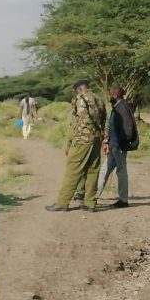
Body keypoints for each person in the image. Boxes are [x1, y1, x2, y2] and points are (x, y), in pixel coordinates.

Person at [46, 79, 106, 213]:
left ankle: (62, 203)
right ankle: (90, 203)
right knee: (93, 170)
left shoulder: (81, 100)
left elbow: (84, 119)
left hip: (82, 140)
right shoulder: (98, 99)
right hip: (96, 140)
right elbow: (104, 118)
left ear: (79, 89)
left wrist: (92, 131)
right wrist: (99, 133)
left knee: (72, 170)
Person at [97, 86, 137, 208]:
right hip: (113, 145)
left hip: (118, 146)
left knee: (121, 172)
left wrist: (122, 143)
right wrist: (107, 142)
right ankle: (93, 196)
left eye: (110, 94)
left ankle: (123, 200)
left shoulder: (122, 107)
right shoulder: (118, 106)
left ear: (115, 95)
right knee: (105, 170)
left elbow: (128, 128)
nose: (109, 97)